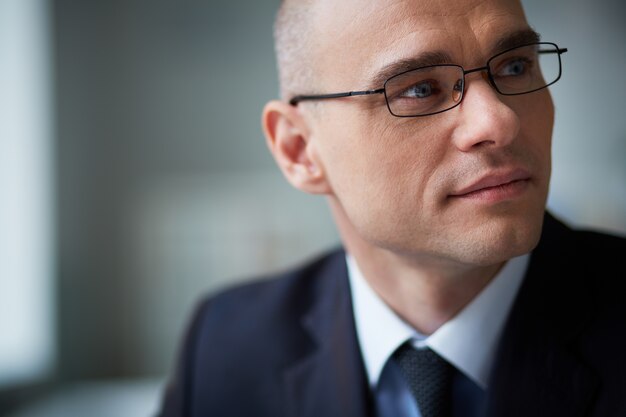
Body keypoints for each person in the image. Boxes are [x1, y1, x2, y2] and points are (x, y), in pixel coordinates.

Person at [158, 0, 626, 416]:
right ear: (299, 150)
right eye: (420, 89)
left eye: (515, 66)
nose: (498, 120)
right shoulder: (225, 345)